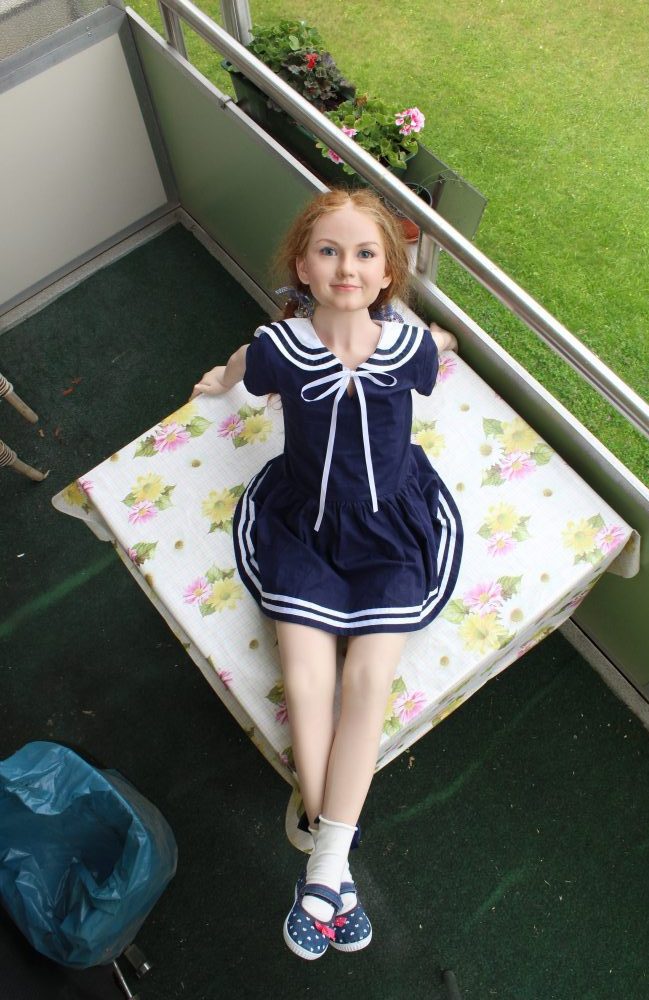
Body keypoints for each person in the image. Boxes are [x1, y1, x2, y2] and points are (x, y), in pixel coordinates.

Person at [192, 188, 463, 960]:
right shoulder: (280, 347)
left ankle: (323, 864)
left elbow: (437, 346)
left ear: (388, 275)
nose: (347, 266)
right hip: (302, 527)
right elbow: (244, 362)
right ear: (302, 267)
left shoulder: (407, 352)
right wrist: (216, 380)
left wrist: (446, 338)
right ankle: (331, 870)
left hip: (391, 532)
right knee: (306, 682)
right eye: (330, 250)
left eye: (365, 253)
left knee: (366, 680)